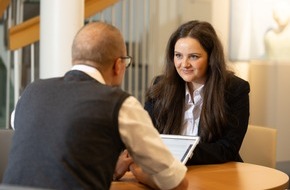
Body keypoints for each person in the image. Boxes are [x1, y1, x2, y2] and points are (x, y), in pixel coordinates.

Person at [3, 21, 188, 190]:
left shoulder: (30, 93)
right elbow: (176, 182)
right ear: (118, 65)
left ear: (74, 59)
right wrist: (142, 175)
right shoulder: (120, 104)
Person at [144, 20, 250, 165]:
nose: (184, 64)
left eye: (193, 56)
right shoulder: (161, 87)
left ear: (211, 58)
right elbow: (145, 135)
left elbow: (227, 149)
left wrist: (180, 152)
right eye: (178, 55)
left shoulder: (235, 89)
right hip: (167, 173)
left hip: (217, 174)